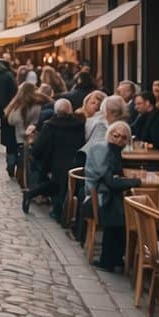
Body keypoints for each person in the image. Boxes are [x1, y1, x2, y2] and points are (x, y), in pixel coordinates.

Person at [83, 121, 141, 272]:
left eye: (123, 138)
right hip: (95, 200)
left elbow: (114, 178)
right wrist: (136, 181)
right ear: (109, 134)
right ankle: (108, 260)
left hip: (106, 196)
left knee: (122, 208)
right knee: (118, 210)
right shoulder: (102, 149)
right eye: (115, 136)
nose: (118, 140)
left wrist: (126, 179)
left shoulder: (113, 151)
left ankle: (114, 258)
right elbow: (110, 182)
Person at [21, 98, 85, 219]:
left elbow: (39, 147)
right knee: (60, 186)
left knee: (56, 184)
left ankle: (33, 195)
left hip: (54, 162)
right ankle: (57, 211)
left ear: (56, 111)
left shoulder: (50, 125)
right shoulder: (79, 125)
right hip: (75, 161)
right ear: (71, 110)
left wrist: (35, 154)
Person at [4, 82, 45, 180]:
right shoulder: (39, 104)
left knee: (23, 165)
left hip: (22, 138)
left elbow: (11, 120)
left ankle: (25, 185)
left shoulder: (17, 105)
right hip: (34, 137)